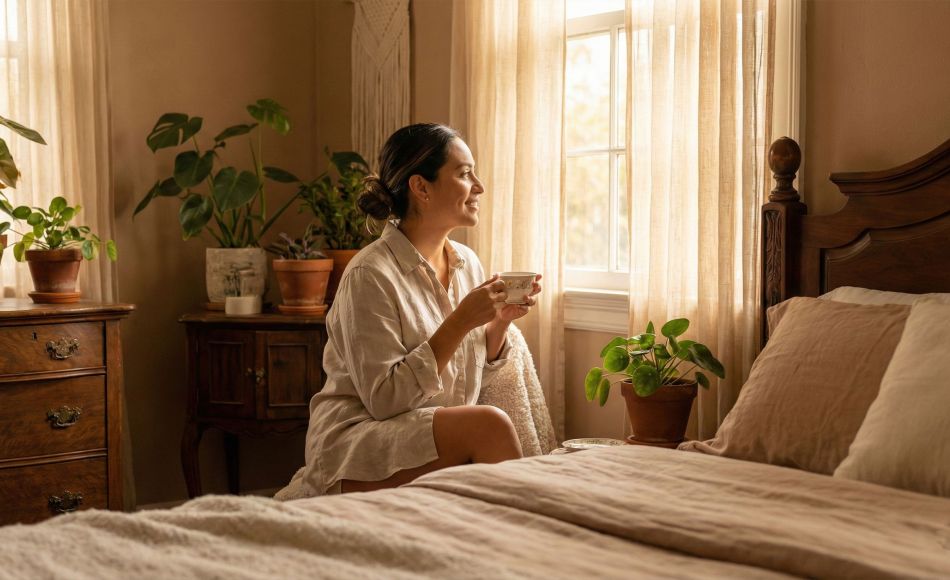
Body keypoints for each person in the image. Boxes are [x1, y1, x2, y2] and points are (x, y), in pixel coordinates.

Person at [300, 123, 542, 494]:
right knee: (489, 425)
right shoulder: (369, 274)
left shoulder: (467, 262)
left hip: (430, 433)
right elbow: (384, 401)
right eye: (464, 174)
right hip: (358, 439)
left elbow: (465, 379)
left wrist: (498, 326)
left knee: (485, 424)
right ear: (421, 187)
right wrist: (460, 321)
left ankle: (514, 533)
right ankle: (529, 537)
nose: (479, 186)